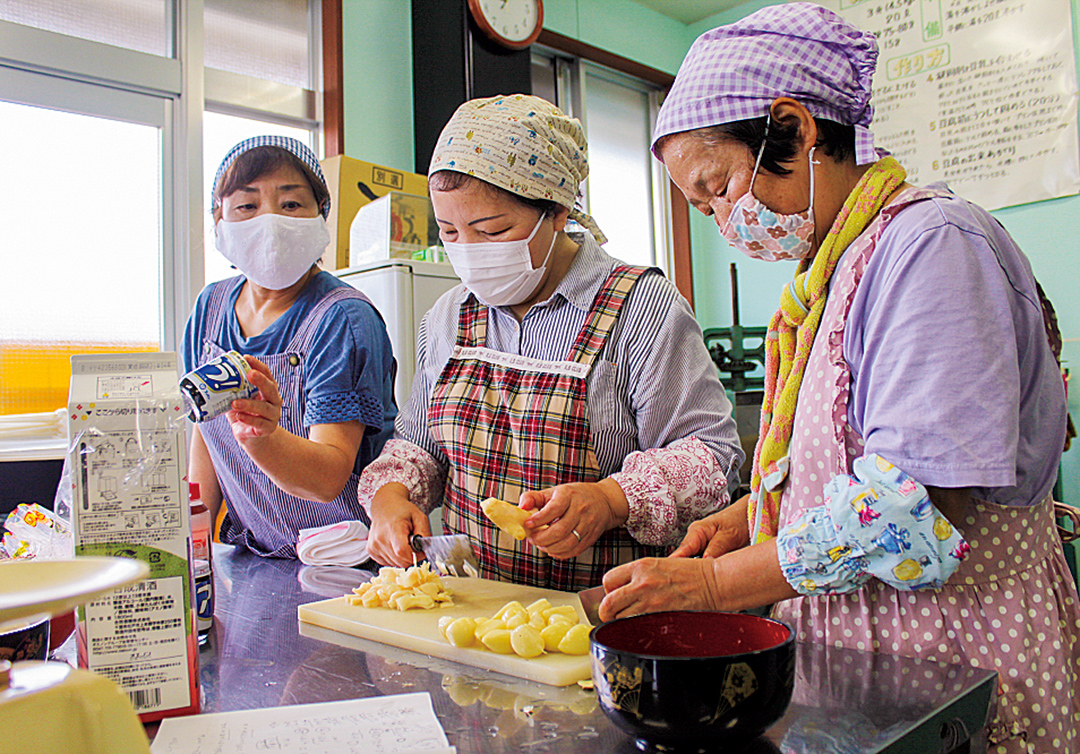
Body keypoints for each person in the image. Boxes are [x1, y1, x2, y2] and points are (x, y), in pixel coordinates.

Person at [597, 4, 1080, 751]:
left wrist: (718, 588)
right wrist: (759, 516)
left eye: (720, 185)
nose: (725, 220)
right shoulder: (831, 269)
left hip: (953, 655)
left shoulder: (931, 247)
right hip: (867, 660)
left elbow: (913, 503)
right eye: (700, 208)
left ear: (794, 125)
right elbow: (848, 457)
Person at [358, 94, 743, 591]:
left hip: (602, 613)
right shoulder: (450, 315)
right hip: (471, 609)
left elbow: (713, 458)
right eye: (450, 232)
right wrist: (390, 496)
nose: (469, 254)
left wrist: (611, 499)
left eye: (492, 231)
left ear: (558, 211)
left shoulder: (641, 306)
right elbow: (418, 445)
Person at [183, 136, 397, 558]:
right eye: (247, 206)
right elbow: (205, 439)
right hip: (258, 553)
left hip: (344, 561)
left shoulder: (343, 318)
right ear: (219, 220)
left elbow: (327, 476)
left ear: (321, 214)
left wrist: (262, 436)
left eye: (291, 204)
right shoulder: (210, 307)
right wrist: (191, 545)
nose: (271, 222)